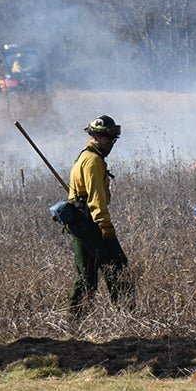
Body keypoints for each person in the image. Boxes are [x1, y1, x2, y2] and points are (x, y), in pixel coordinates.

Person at [65, 115, 134, 323]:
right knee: (118, 267)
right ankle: (125, 317)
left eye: (112, 139)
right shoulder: (93, 161)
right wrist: (105, 226)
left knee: (86, 274)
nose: (111, 143)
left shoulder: (85, 156)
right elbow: (96, 198)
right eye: (108, 138)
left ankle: (76, 321)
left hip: (79, 221)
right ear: (97, 137)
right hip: (90, 221)